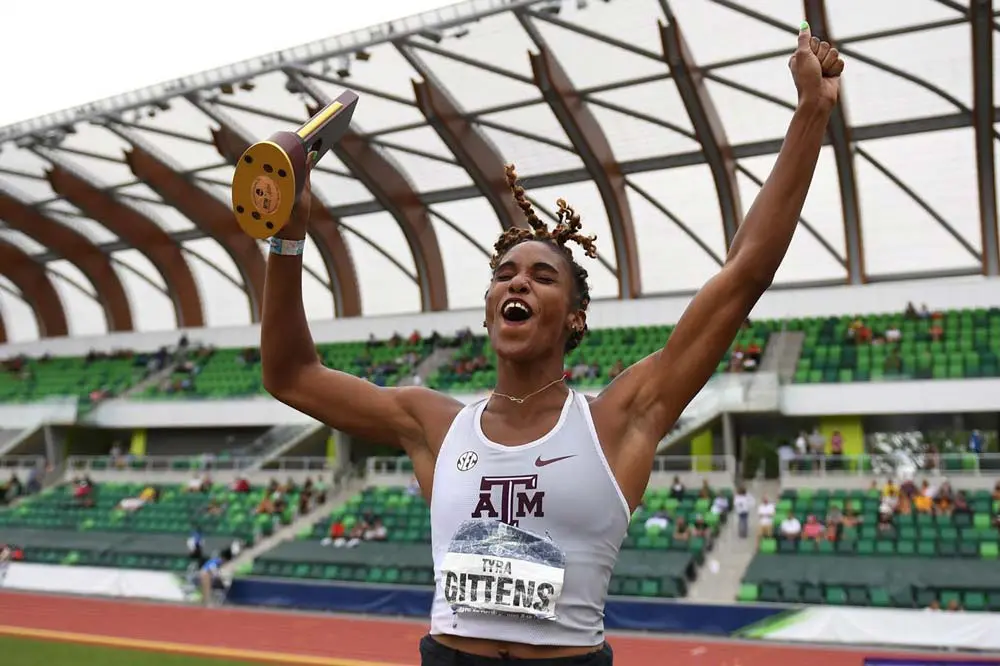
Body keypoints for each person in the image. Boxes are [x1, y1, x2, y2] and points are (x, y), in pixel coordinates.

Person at [260, 23, 844, 665]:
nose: (518, 282)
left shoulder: (620, 420)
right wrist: (290, 236)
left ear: (574, 316)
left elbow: (744, 275)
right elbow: (290, 375)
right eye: (505, 274)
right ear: (488, 307)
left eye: (543, 276)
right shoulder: (432, 425)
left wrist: (811, 113)